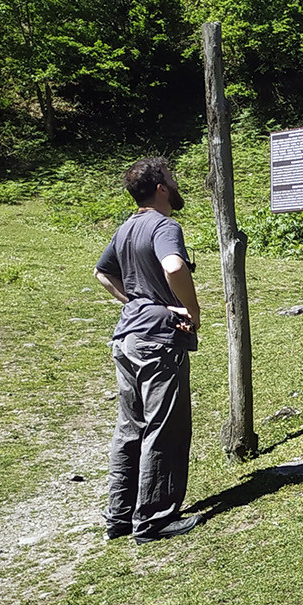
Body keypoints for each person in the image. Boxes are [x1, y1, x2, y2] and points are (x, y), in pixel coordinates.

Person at [93, 157, 202, 543]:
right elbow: (173, 267)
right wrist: (191, 308)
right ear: (160, 188)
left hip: (126, 338)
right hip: (157, 340)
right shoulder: (163, 225)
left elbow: (102, 273)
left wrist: (134, 302)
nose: (175, 186)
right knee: (164, 425)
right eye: (171, 180)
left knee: (130, 427)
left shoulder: (126, 229)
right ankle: (154, 520)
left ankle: (119, 517)